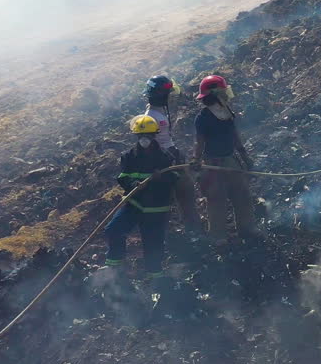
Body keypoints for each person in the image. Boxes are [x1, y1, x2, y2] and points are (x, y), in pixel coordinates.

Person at [104, 115, 179, 279]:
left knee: (153, 244)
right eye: (141, 136)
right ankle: (115, 270)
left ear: (154, 135)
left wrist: (162, 178)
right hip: (134, 203)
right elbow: (123, 177)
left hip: (156, 208)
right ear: (136, 136)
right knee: (113, 230)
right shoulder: (129, 156)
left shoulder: (165, 157)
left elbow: (175, 178)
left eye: (148, 135)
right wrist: (133, 184)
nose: (145, 139)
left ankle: (155, 278)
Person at [191, 75, 258, 244]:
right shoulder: (203, 118)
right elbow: (200, 142)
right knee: (216, 200)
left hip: (230, 160)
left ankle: (247, 228)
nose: (226, 94)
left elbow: (234, 136)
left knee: (242, 194)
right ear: (215, 94)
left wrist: (244, 156)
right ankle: (218, 237)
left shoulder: (226, 112)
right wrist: (197, 160)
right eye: (223, 91)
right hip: (213, 165)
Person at [143, 76, 202, 234]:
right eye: (168, 93)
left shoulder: (158, 113)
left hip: (172, 160)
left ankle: (194, 230)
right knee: (178, 197)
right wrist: (157, 165)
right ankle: (186, 233)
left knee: (187, 194)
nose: (171, 97)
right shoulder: (151, 117)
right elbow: (148, 146)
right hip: (164, 164)